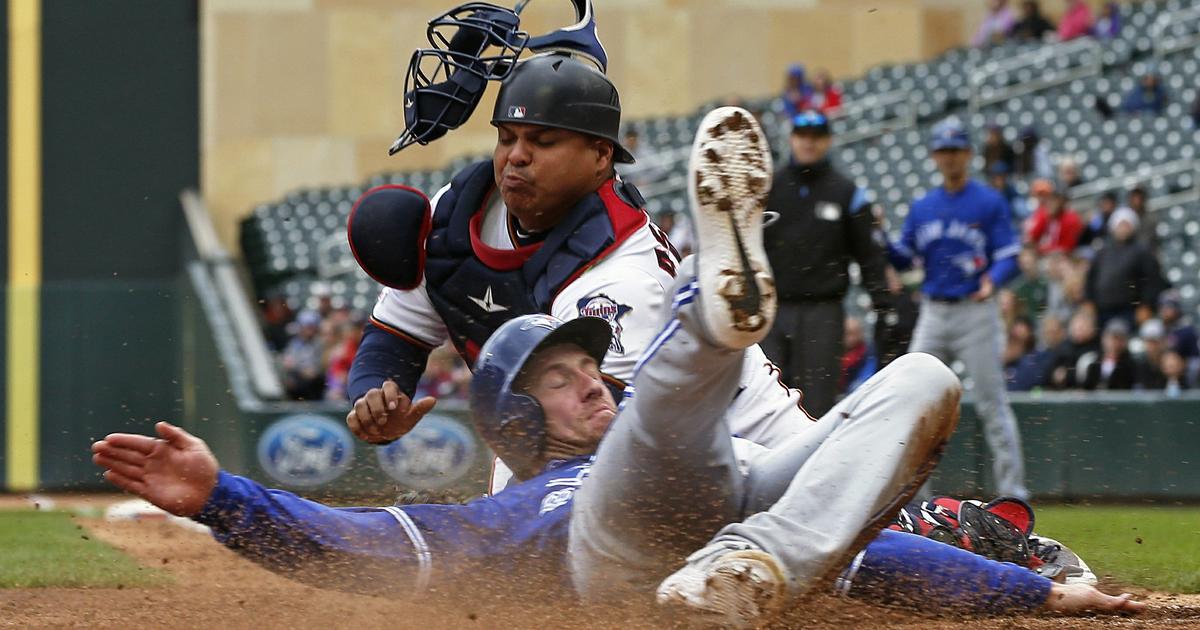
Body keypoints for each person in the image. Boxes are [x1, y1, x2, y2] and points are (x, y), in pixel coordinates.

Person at [92, 110, 1143, 623]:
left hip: (738, 531)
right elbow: (355, 545)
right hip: (614, 536)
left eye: (584, 363)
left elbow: (869, 567)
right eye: (557, 377)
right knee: (668, 414)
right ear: (515, 419)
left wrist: (1029, 600)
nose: (588, 378)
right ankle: (713, 309)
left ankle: (726, 365)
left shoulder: (644, 441)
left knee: (922, 382)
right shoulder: (517, 509)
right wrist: (219, 496)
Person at [346, 50, 805, 492]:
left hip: (741, 433)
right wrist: (377, 397)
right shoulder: (457, 214)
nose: (516, 156)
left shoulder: (621, 271)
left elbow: (584, 430)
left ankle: (709, 286)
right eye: (507, 137)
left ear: (601, 157)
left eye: (543, 141)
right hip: (619, 440)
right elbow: (395, 335)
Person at [887, 117, 1030, 500]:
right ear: (935, 156)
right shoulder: (923, 207)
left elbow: (1010, 255)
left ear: (968, 154)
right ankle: (914, 499)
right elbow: (903, 258)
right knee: (912, 400)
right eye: (943, 150)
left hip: (974, 311)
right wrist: (877, 237)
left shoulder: (988, 201)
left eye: (956, 150)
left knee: (992, 404)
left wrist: (993, 280)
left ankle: (1014, 496)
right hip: (933, 311)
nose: (949, 157)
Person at [761, 110, 892, 417]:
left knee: (817, 404)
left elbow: (869, 254)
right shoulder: (769, 188)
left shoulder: (846, 192)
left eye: (816, 137)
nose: (809, 143)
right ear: (792, 138)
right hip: (773, 309)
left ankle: (814, 467)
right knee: (767, 401)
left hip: (824, 311)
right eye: (802, 136)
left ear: (828, 141)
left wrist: (882, 302)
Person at [1084, 207, 1165, 331]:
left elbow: (1152, 280)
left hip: (1129, 310)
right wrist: (1089, 301)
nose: (1123, 228)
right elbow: (1091, 277)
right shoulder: (1103, 251)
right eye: (1120, 224)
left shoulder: (1142, 251)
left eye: (1126, 224)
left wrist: (1146, 305)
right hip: (1102, 309)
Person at [280, 309, 325, 400]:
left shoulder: (319, 344)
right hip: (297, 382)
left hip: (315, 386)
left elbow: (313, 372)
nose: (309, 330)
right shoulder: (293, 343)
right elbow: (287, 363)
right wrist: (300, 369)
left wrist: (297, 367)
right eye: (307, 326)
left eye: (312, 326)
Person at [1082, 318, 1136, 390]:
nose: (1115, 344)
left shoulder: (1130, 365)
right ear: (1104, 339)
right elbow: (1087, 388)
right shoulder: (1094, 363)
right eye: (1112, 338)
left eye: (1120, 339)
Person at [1026, 191, 1085, 255]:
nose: (1049, 204)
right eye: (1048, 200)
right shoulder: (1045, 216)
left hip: (1067, 257)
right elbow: (1031, 238)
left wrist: (1040, 249)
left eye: (1053, 201)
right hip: (1049, 254)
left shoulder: (1071, 220)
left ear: (1062, 202)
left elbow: (1066, 249)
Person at [839, 316, 876, 394]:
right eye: (847, 334)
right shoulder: (838, 351)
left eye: (853, 334)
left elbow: (867, 375)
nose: (850, 338)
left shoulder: (866, 352)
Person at [1133, 318, 1168, 390]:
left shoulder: (1169, 364)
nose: (1152, 346)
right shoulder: (1138, 365)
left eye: (1155, 342)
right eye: (1149, 342)